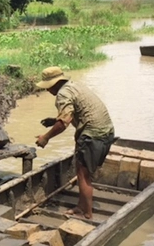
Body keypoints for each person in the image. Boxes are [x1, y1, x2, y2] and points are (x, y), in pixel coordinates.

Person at [35, 66, 115, 220]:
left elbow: (63, 123)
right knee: (83, 171)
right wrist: (54, 120)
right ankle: (82, 206)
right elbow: (75, 111)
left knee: (83, 175)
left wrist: (45, 137)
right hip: (107, 131)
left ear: (54, 84)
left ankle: (86, 213)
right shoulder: (74, 86)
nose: (47, 90)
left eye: (48, 87)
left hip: (92, 135)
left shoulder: (63, 94)